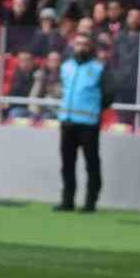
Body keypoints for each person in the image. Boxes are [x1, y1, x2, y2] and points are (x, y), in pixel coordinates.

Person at [56, 33, 105, 213]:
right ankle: (67, 201)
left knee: (91, 163)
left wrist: (94, 108)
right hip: (67, 121)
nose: (81, 47)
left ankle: (90, 202)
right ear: (73, 46)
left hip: (88, 123)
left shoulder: (98, 68)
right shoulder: (66, 67)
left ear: (90, 47)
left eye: (85, 44)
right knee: (67, 164)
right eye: (78, 44)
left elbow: (109, 94)